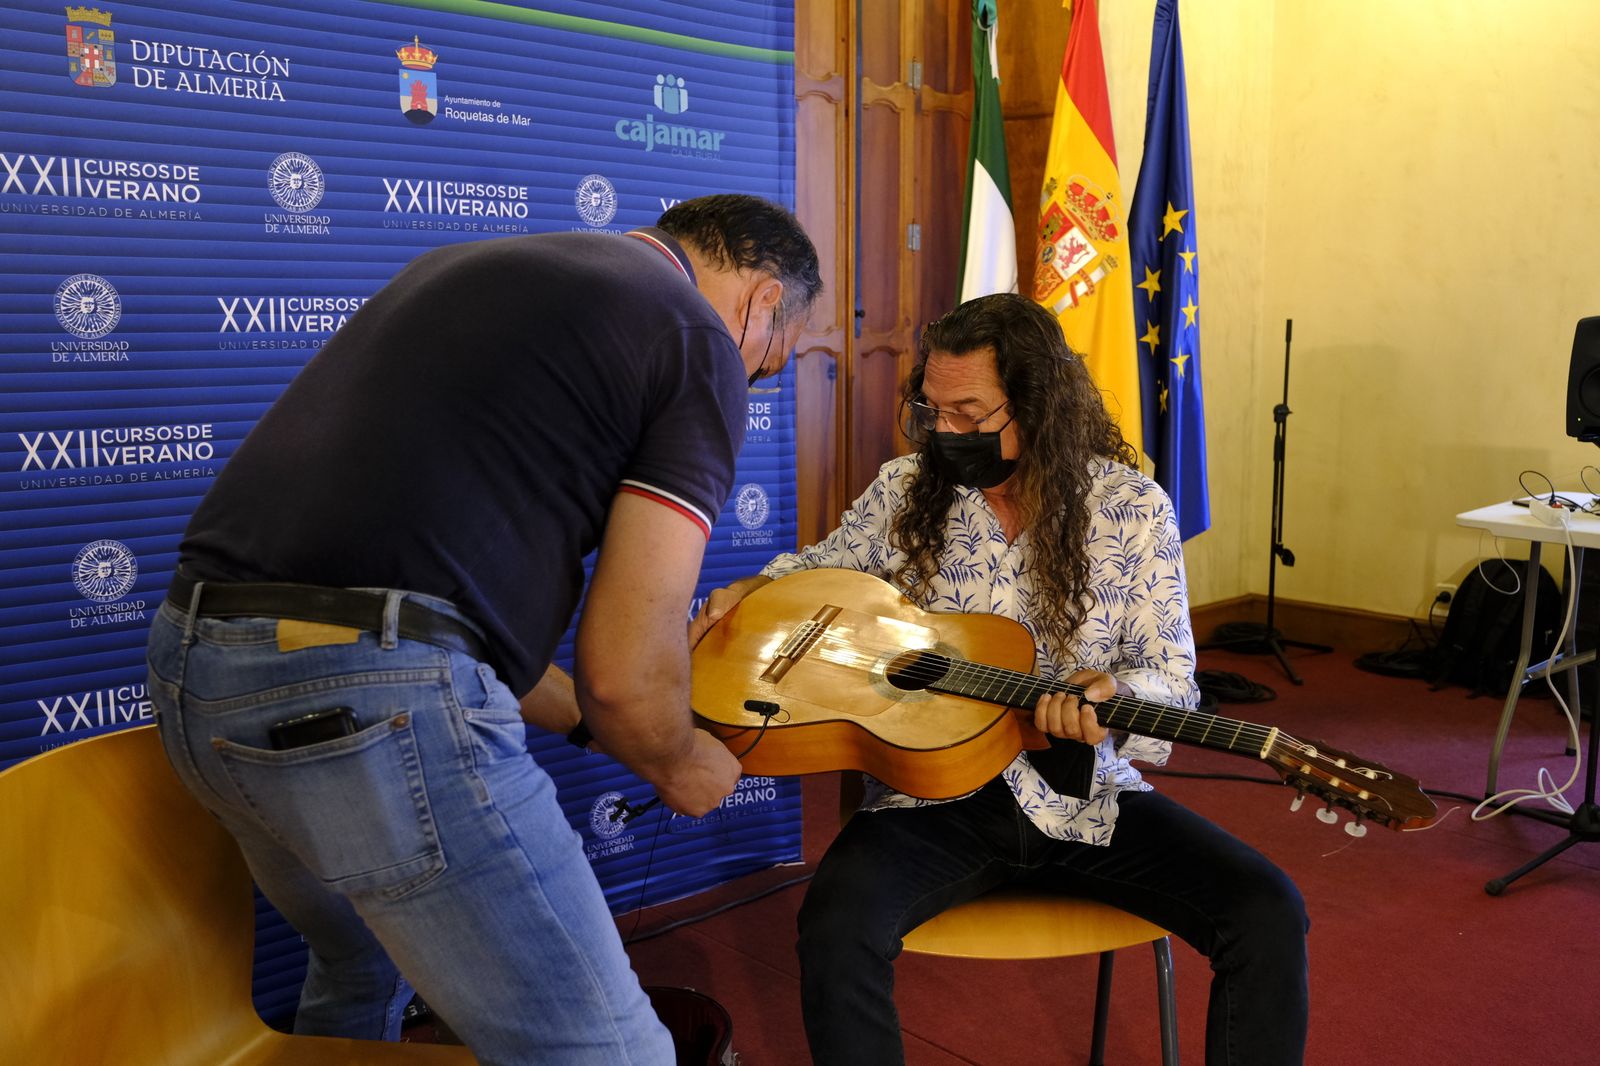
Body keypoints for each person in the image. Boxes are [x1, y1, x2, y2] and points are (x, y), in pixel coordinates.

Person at [145, 194, 822, 1065]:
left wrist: (587, 722)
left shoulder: (471, 266)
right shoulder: (693, 335)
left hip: (192, 679)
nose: (756, 382)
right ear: (765, 301)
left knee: (357, 966)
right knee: (614, 1054)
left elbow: (430, 612)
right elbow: (622, 673)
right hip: (362, 704)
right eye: (770, 365)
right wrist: (680, 761)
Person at [691, 292, 1309, 1065]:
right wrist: (751, 592)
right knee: (837, 926)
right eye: (934, 411)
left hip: (1088, 796)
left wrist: (1115, 701)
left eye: (971, 414)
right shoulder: (904, 490)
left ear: (1039, 405)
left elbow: (1172, 677)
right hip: (930, 798)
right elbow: (818, 580)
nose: (947, 433)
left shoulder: (1132, 509)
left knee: (1267, 909)